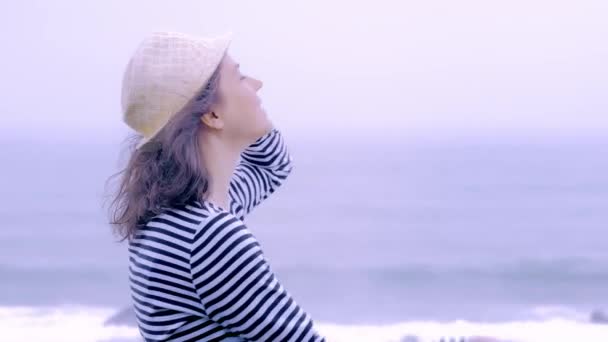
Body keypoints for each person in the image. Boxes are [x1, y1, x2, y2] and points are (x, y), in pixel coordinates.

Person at [108, 31, 327, 342]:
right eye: (240, 78)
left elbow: (273, 166)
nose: (257, 84)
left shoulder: (170, 216)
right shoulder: (210, 236)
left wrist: (246, 122)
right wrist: (251, 121)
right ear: (211, 113)